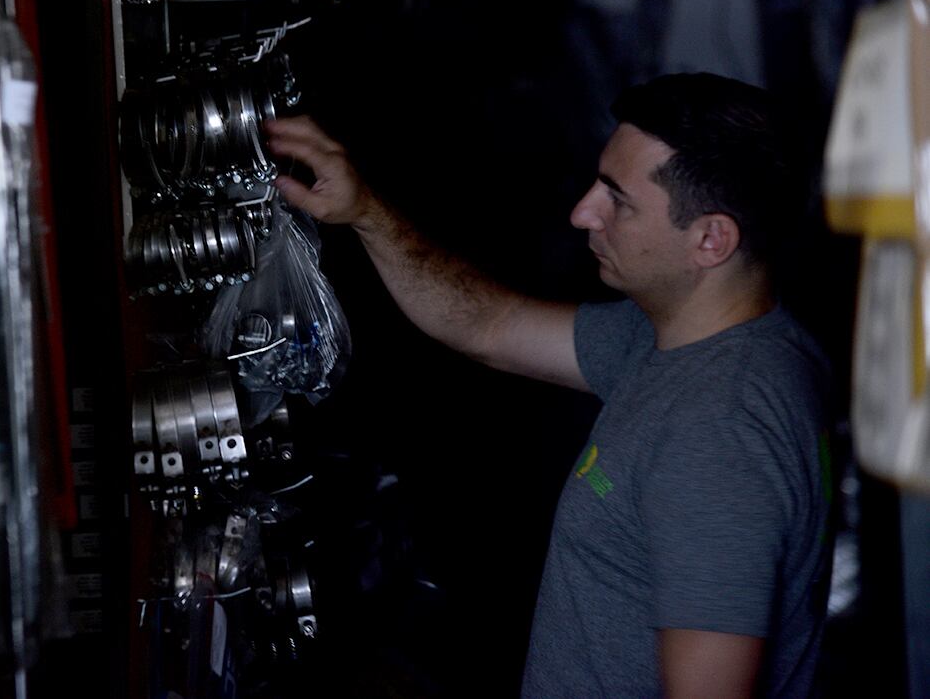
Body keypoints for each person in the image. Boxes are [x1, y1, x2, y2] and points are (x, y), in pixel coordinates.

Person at [265, 72, 832, 699]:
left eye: (617, 198)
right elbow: (489, 323)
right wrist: (363, 211)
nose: (582, 211)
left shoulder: (717, 437)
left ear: (710, 239)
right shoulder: (694, 341)